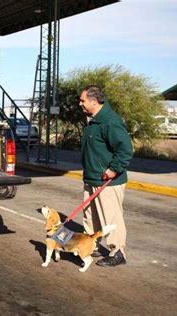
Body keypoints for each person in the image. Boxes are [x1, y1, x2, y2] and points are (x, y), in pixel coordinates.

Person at [79, 85, 133, 267]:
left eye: (83, 100)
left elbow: (125, 149)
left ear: (94, 101)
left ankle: (118, 252)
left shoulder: (110, 121)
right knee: (89, 216)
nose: (80, 104)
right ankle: (90, 245)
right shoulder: (92, 120)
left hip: (107, 180)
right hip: (91, 177)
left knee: (111, 217)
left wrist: (114, 169)